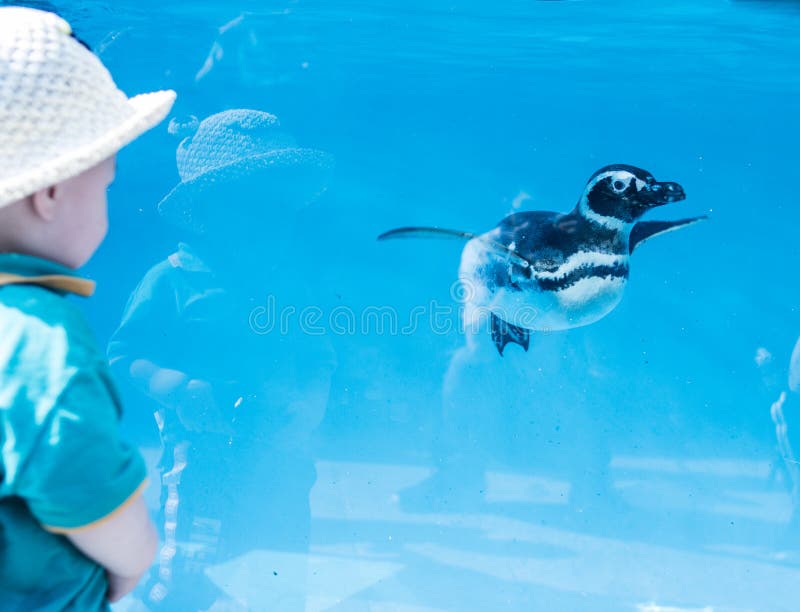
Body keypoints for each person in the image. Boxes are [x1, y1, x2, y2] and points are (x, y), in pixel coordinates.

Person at [107, 109, 337, 610]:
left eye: (280, 204)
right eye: (254, 205)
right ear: (207, 209)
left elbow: (318, 352)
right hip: (199, 460)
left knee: (279, 577)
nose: (273, 216)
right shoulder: (171, 279)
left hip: (283, 454)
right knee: (187, 576)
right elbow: (124, 353)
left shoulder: (292, 284)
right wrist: (179, 388)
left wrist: (310, 401)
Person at [0, 7, 176, 610]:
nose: (107, 199)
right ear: (50, 193)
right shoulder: (38, 339)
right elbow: (87, 491)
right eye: (104, 182)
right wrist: (136, 557)